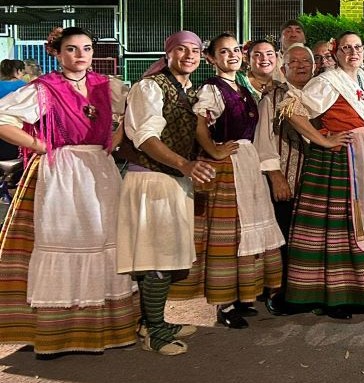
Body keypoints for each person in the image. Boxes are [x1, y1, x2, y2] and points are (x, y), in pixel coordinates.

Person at [0, 27, 139, 358]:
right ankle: (57, 335)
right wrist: (41, 144)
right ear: (58, 54)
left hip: (101, 171)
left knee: (103, 239)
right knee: (66, 240)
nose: (81, 56)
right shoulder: (45, 89)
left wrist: (116, 137)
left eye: (87, 49)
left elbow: (137, 113)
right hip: (62, 172)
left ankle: (104, 329)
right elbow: (3, 119)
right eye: (73, 50)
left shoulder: (109, 87)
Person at [169, 32, 286, 329]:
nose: (232, 55)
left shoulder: (242, 87)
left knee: (246, 231)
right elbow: (200, 121)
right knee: (228, 236)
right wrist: (213, 150)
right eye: (223, 52)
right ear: (211, 58)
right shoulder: (212, 87)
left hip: (246, 163)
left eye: (235, 50)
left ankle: (243, 294)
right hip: (226, 167)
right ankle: (225, 303)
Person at [284, 31, 364, 318]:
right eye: (346, 48)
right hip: (342, 160)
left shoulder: (363, 78)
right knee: (342, 225)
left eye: (358, 47)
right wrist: (322, 139)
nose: (353, 52)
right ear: (336, 52)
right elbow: (291, 109)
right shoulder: (327, 81)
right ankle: (337, 295)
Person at [118, 30, 212, 355]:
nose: (189, 56)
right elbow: (145, 137)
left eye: (196, 51)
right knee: (157, 256)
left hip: (172, 181)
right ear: (167, 53)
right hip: (152, 181)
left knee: (167, 255)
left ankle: (153, 321)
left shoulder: (185, 90)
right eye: (182, 50)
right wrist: (185, 165)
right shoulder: (150, 87)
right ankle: (154, 331)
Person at [253, 43, 316, 316]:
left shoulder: (320, 93)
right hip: (286, 175)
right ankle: (279, 291)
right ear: (283, 68)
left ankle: (308, 291)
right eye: (295, 62)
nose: (301, 66)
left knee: (308, 237)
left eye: (306, 61)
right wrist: (276, 176)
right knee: (283, 236)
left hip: (315, 179)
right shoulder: (274, 96)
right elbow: (263, 140)